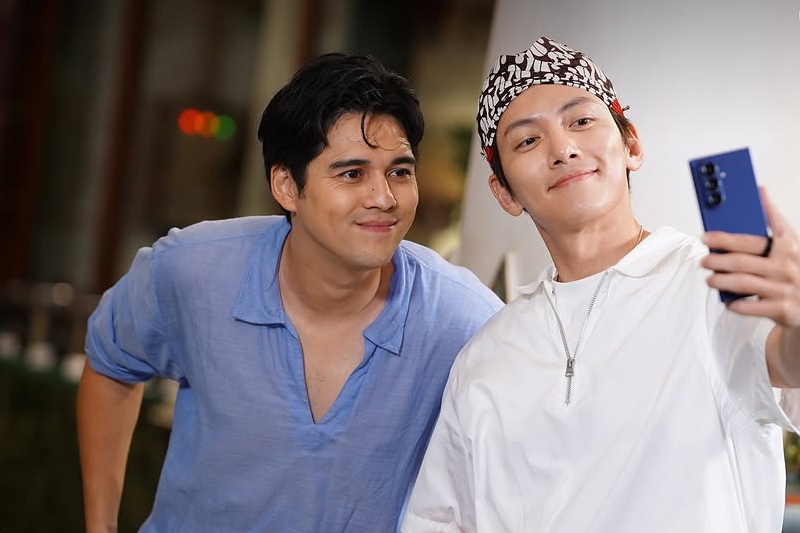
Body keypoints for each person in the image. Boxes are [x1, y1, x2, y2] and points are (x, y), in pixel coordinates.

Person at [77, 53, 503, 533]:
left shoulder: (464, 320)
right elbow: (112, 364)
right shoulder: (192, 269)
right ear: (285, 186)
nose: (384, 198)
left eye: (399, 172)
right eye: (352, 174)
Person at [402, 36, 800, 532]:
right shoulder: (486, 356)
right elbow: (440, 520)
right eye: (527, 141)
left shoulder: (711, 286)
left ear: (631, 145)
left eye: (581, 121)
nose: (563, 149)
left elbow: (783, 362)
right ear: (504, 193)